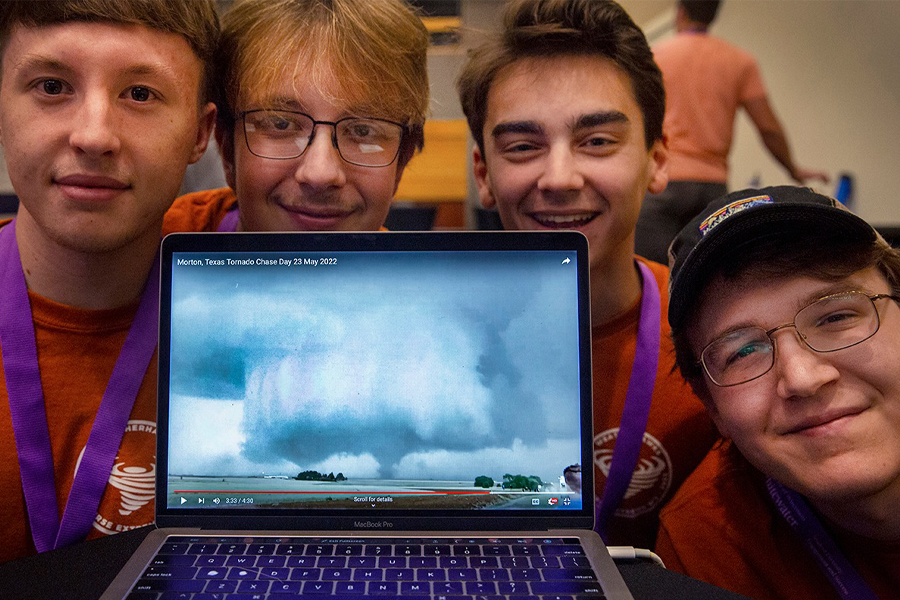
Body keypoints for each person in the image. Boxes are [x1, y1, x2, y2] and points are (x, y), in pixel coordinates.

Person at [456, 0, 719, 549]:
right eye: (523, 147)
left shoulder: (712, 333)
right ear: (483, 173)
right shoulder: (429, 336)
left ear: (658, 159)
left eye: (597, 141)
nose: (559, 178)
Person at [0, 0, 217, 562]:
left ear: (201, 132)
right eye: (51, 85)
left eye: (140, 94)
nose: (94, 136)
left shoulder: (243, 278)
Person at [658, 185, 900, 599]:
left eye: (836, 316)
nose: (803, 378)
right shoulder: (705, 548)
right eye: (743, 352)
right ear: (711, 408)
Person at [164, 0, 429, 233]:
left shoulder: (424, 284)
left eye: (362, 131)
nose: (320, 174)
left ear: (401, 162)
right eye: (281, 124)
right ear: (226, 148)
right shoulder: (148, 257)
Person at [634, 0, 829, 264]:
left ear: (680, 13)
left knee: (656, 278)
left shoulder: (655, 56)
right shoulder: (739, 61)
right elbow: (768, 128)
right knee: (705, 283)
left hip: (663, 184)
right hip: (713, 190)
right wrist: (793, 169)